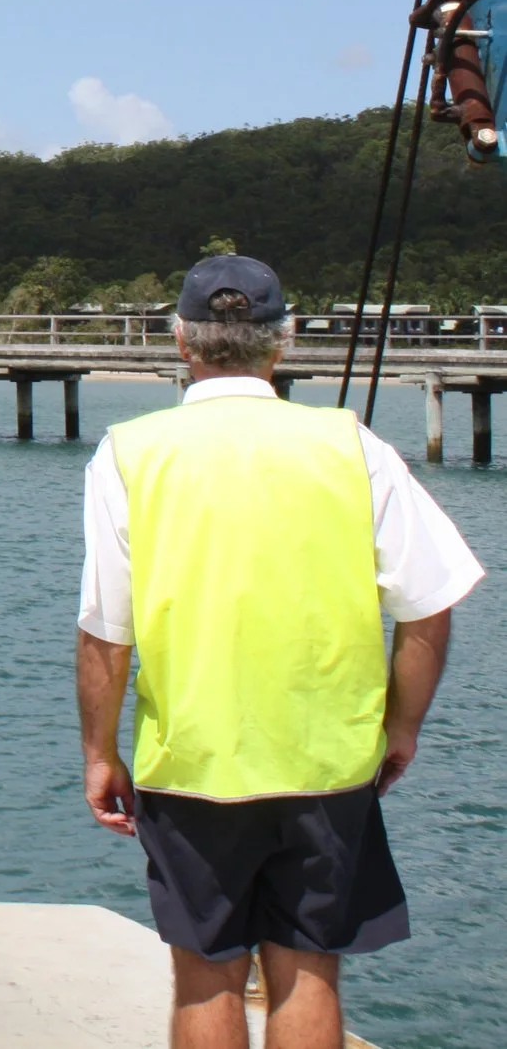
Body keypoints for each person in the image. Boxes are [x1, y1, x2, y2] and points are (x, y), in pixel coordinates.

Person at [76, 255, 483, 1049]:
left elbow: (105, 631)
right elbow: (429, 607)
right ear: (284, 340)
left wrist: (99, 750)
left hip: (192, 760)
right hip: (328, 760)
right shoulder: (351, 444)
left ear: (181, 339)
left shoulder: (130, 451)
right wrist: (401, 728)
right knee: (308, 968)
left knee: (205, 972)